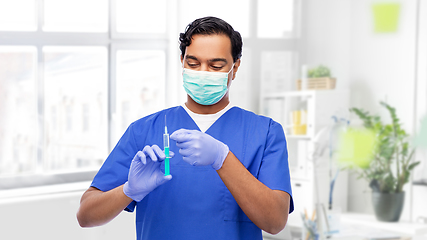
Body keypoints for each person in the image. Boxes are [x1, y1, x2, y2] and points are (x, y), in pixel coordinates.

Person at [77, 16, 294, 240]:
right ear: (182, 61)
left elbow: (275, 221)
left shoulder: (265, 133)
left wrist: (223, 159)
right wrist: (128, 191)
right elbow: (86, 215)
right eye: (193, 63)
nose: (202, 72)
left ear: (235, 67)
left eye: (215, 65)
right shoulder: (143, 130)